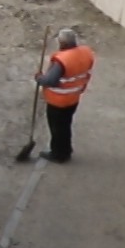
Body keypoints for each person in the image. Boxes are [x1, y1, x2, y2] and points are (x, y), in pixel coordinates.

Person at [35, 27, 94, 163]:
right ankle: (66, 149)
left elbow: (50, 81)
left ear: (63, 43)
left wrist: (39, 78)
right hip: (74, 98)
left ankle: (58, 154)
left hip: (58, 101)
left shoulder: (63, 60)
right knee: (65, 125)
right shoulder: (86, 53)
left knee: (57, 128)